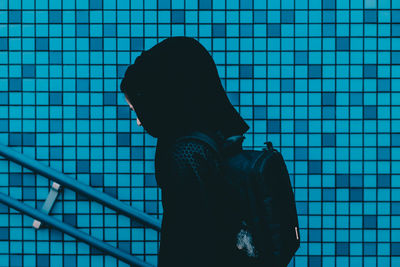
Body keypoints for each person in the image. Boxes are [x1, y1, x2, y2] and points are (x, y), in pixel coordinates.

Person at [120, 37, 250, 267]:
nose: (139, 122)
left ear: (160, 99)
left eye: (137, 108)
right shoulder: (215, 138)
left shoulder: (187, 153)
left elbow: (192, 241)